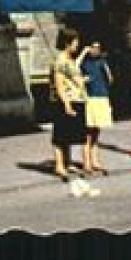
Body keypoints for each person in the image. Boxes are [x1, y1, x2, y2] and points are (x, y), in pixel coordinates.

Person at [49, 28, 95, 194]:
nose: (77, 44)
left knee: (75, 134)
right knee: (61, 135)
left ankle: (67, 164)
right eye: (75, 41)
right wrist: (66, 104)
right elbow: (60, 84)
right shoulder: (60, 61)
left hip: (78, 99)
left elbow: (73, 78)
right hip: (66, 101)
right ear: (68, 43)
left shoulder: (69, 60)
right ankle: (60, 166)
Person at [80, 40, 114, 177]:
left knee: (96, 132)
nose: (95, 50)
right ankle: (86, 162)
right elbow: (77, 72)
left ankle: (95, 160)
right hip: (91, 99)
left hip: (102, 97)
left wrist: (106, 67)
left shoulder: (102, 63)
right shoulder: (84, 64)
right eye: (93, 47)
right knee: (87, 133)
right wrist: (83, 53)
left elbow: (111, 79)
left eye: (98, 48)